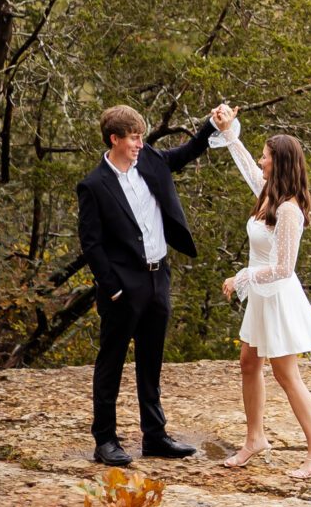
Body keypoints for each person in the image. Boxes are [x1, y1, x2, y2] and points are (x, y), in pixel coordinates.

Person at [76, 103, 215, 467]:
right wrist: (113, 288)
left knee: (151, 360)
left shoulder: (149, 161)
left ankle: (154, 436)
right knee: (112, 363)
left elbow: (184, 154)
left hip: (159, 277)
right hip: (123, 286)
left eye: (140, 136)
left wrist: (209, 126)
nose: (140, 143)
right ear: (115, 139)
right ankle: (104, 440)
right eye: (134, 137)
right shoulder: (93, 185)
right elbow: (91, 243)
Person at [206, 103, 311, 481]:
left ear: (280, 163)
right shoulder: (267, 195)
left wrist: (242, 277)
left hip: (278, 298)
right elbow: (245, 165)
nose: (260, 161)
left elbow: (283, 268)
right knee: (248, 363)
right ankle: (255, 438)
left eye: (265, 157)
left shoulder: (290, 210)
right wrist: (230, 132)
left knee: (285, 374)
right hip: (262, 299)